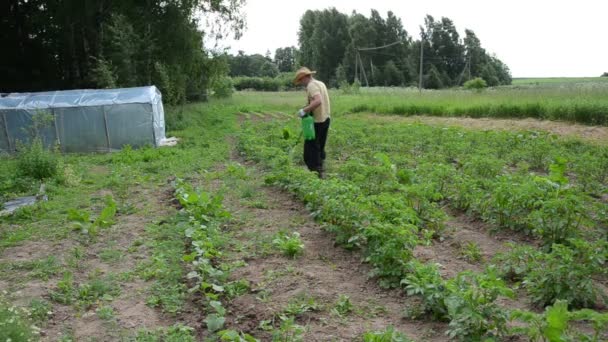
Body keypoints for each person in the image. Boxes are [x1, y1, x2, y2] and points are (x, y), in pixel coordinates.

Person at [293, 67, 331, 178]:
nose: (301, 83)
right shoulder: (320, 83)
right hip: (326, 118)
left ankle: (317, 174)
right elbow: (318, 101)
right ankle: (320, 169)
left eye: (300, 80)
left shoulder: (311, 85)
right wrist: (308, 107)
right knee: (319, 146)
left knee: (310, 150)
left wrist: (304, 111)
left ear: (305, 77)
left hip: (317, 121)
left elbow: (318, 100)